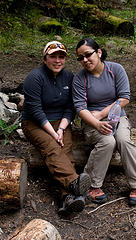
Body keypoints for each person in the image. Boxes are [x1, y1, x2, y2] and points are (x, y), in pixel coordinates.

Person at [72, 38, 136, 206]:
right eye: (80, 58)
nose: (84, 60)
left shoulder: (116, 69)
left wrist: (101, 114)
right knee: (107, 141)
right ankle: (91, 185)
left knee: (123, 140)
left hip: (117, 116)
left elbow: (124, 98)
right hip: (91, 120)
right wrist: (96, 122)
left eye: (87, 55)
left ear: (98, 52)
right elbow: (79, 107)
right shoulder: (79, 79)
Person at [20, 41, 91, 214]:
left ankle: (66, 199)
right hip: (35, 123)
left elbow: (70, 107)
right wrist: (53, 133)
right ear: (44, 59)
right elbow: (35, 109)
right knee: (52, 148)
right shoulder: (34, 77)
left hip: (60, 123)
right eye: (53, 56)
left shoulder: (69, 77)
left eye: (61, 57)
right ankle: (75, 185)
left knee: (66, 153)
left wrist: (61, 129)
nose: (57, 60)